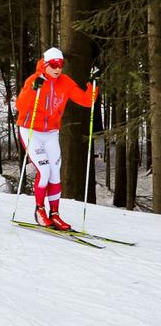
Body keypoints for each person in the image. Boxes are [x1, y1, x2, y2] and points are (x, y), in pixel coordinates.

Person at [15, 47, 98, 231]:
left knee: (55, 172)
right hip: (31, 131)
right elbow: (20, 105)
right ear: (45, 65)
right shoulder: (34, 80)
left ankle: (55, 214)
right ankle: (39, 210)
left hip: (51, 133)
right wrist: (32, 90)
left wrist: (93, 85)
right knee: (43, 171)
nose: (58, 68)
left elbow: (86, 100)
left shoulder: (65, 82)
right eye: (53, 65)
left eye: (60, 64)